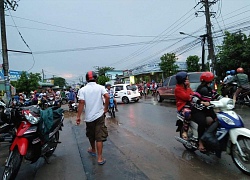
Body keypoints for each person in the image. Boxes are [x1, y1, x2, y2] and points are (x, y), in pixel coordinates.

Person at [76, 71, 109, 165]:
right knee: (99, 137)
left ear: (86, 80)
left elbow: (81, 103)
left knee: (91, 135)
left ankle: (93, 149)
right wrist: (105, 108)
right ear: (96, 78)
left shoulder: (83, 90)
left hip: (89, 117)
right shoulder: (100, 87)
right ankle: (99, 158)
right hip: (99, 116)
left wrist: (78, 117)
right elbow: (107, 96)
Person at [191, 72, 219, 152]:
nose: (212, 82)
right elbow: (194, 98)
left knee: (218, 119)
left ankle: (211, 136)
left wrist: (227, 100)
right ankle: (200, 142)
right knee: (202, 123)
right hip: (198, 110)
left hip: (208, 109)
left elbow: (216, 95)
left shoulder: (210, 89)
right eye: (211, 80)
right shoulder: (200, 89)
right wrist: (201, 102)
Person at [174, 72, 194, 140]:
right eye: (186, 79)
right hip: (183, 107)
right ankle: (185, 131)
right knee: (188, 114)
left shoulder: (186, 87)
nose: (188, 81)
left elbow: (192, 94)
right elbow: (186, 97)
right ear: (182, 80)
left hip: (190, 104)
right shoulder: (178, 89)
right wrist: (188, 88)